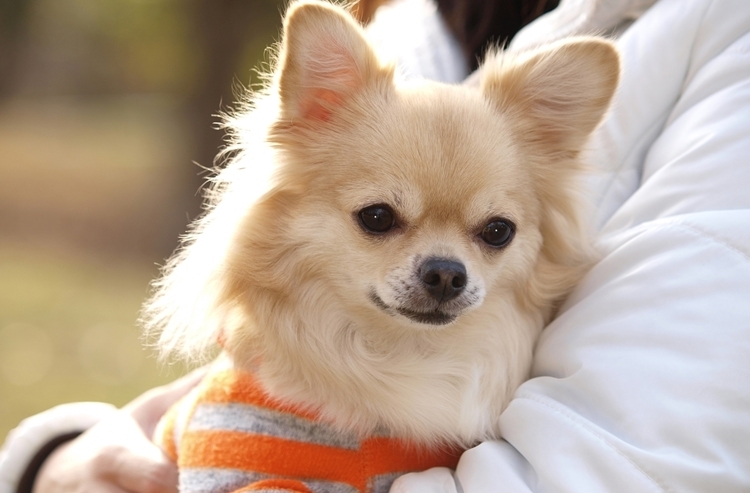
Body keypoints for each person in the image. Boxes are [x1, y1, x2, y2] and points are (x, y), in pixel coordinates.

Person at [2, 0, 750, 491]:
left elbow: (638, 461)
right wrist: (55, 459)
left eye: (493, 233)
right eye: (380, 218)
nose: (446, 268)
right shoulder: (393, 16)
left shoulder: (722, 39)